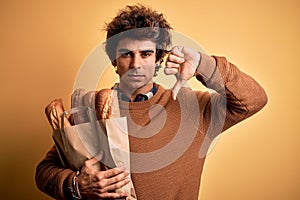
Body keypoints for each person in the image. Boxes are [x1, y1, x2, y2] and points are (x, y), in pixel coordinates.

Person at [35, 4, 268, 200]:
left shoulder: (193, 107)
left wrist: (202, 64)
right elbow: (44, 171)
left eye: (146, 54)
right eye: (126, 54)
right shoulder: (91, 109)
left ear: (158, 59)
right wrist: (77, 185)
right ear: (114, 60)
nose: (136, 64)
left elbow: (254, 100)